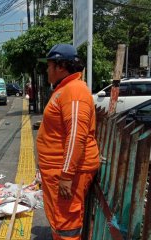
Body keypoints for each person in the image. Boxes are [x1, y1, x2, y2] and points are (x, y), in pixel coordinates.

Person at [36, 44, 99, 240]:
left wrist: (66, 175)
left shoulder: (74, 92)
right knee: (60, 218)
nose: (47, 70)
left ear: (61, 66)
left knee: (66, 223)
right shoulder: (65, 89)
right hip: (58, 170)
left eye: (49, 65)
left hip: (67, 172)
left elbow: (76, 136)